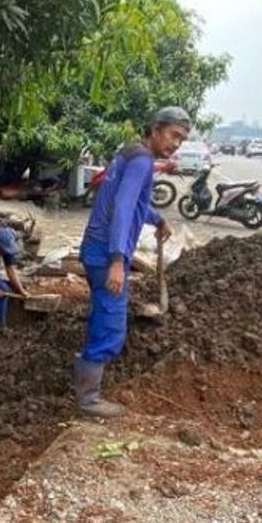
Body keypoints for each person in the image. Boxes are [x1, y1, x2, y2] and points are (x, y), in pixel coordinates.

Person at [73, 106, 189, 416]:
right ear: (154, 129)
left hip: (95, 247)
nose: (176, 143)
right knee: (111, 323)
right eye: (173, 135)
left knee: (102, 312)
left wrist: (156, 218)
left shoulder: (130, 153)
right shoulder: (141, 160)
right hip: (105, 251)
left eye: (182, 139)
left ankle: (84, 370)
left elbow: (130, 202)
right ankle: (88, 398)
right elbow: (122, 208)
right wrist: (117, 260)